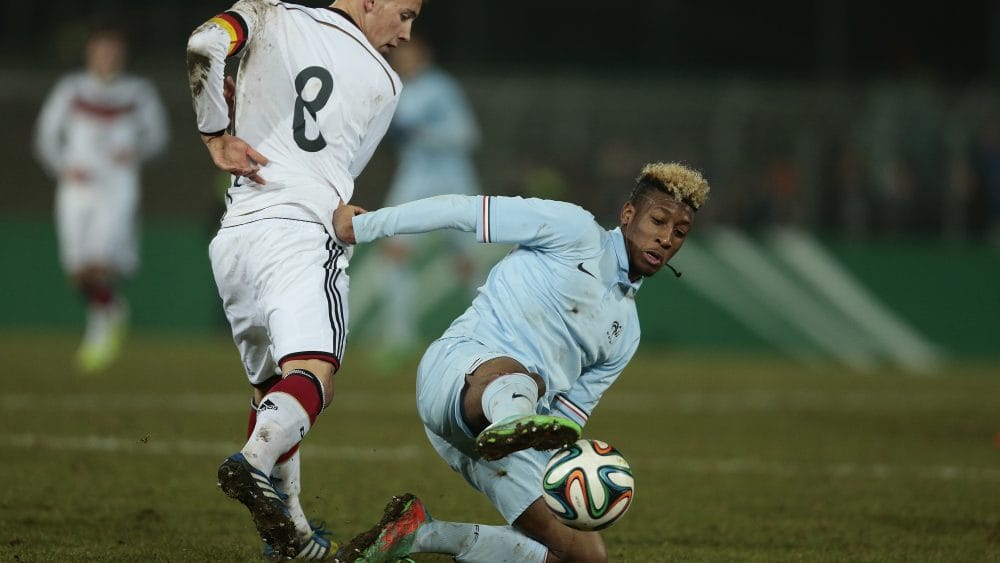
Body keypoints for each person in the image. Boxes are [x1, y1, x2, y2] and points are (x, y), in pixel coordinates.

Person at [332, 162, 710, 562]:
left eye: (679, 232)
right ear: (629, 215)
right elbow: (461, 211)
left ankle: (419, 534)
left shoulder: (627, 331)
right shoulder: (574, 229)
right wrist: (366, 226)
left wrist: (570, 484)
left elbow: (566, 419)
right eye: (658, 221)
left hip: (509, 439)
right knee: (520, 377)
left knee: (584, 556)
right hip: (457, 372)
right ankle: (510, 416)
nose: (666, 238)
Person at [185, 0, 423, 559]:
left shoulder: (265, 14)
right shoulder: (385, 82)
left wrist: (216, 135)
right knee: (315, 374)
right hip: (301, 233)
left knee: (274, 391)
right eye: (406, 14)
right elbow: (337, 189)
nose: (407, 34)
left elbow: (203, 47)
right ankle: (252, 463)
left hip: (236, 236)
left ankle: (288, 534)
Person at [33, 26, 168, 374]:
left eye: (112, 51)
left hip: (117, 187)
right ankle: (112, 310)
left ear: (121, 55)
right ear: (89, 54)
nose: (106, 58)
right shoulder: (71, 89)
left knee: (101, 262)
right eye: (100, 51)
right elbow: (46, 133)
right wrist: (63, 165)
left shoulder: (137, 92)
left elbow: (157, 135)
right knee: (77, 270)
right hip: (76, 188)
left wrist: (136, 151)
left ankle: (98, 334)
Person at [370, 34, 482, 361]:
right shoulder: (397, 90)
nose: (401, 60)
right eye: (398, 55)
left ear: (424, 55)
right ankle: (398, 337)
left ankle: (495, 334)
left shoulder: (442, 88)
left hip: (452, 181)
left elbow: (467, 134)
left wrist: (421, 133)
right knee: (392, 253)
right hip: (415, 180)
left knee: (467, 263)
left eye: (408, 54)